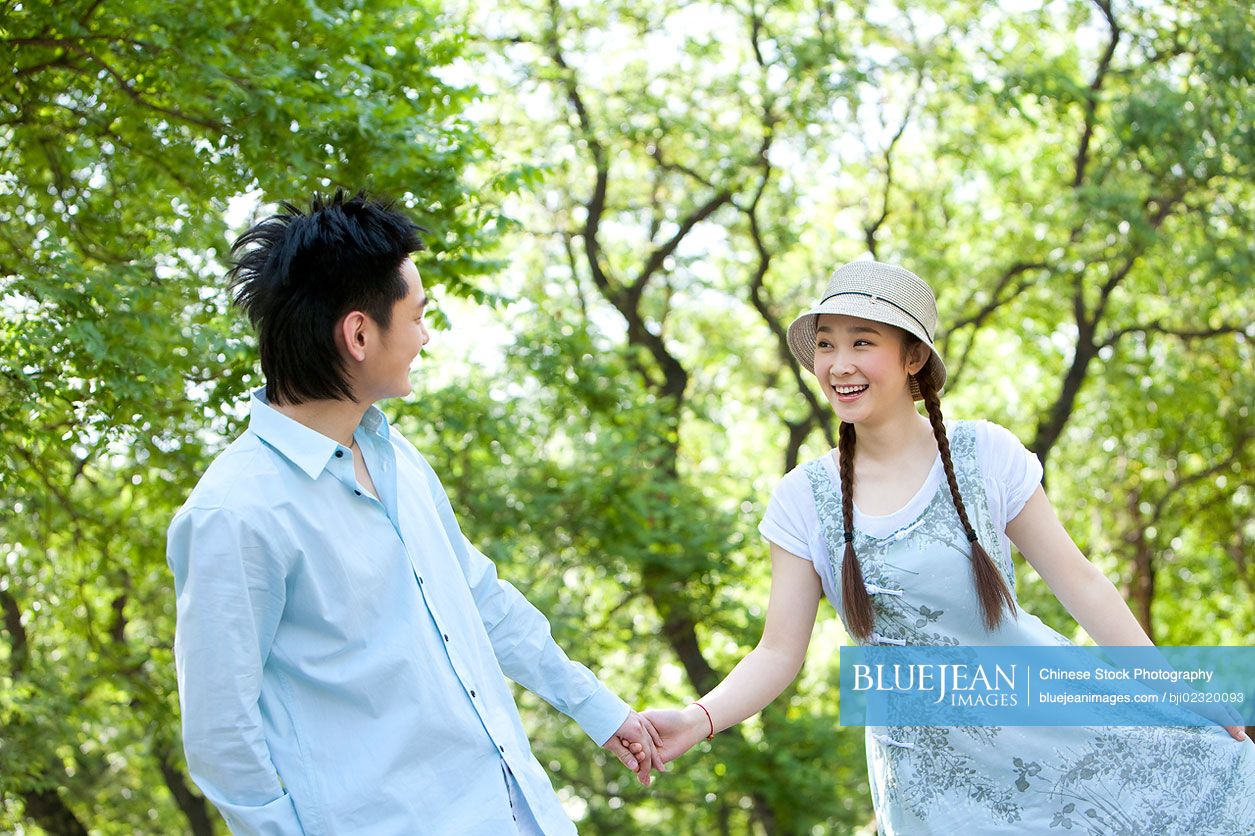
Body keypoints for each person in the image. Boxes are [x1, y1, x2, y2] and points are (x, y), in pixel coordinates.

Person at [640, 261, 1255, 834]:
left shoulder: (984, 454)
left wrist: (1175, 687)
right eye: (826, 343)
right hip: (933, 790)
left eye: (862, 341)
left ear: (912, 357)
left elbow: (1081, 583)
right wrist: (697, 720)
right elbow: (777, 652)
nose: (839, 364)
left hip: (1062, 734)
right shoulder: (803, 499)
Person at [167, 190, 660, 835]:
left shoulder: (392, 451)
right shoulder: (235, 514)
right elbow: (220, 735)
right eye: (418, 316)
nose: (426, 336)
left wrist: (600, 710)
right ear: (359, 333)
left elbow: (480, 595)